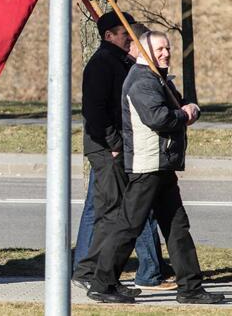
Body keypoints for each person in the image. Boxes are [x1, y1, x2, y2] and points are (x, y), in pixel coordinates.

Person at [87, 31, 224, 305]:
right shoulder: (141, 81)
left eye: (168, 48)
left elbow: (178, 104)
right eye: (159, 49)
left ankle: (190, 288)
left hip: (162, 165)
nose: (165, 53)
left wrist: (187, 110)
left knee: (176, 227)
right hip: (147, 164)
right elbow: (158, 117)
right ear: (143, 51)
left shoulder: (157, 78)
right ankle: (103, 284)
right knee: (129, 225)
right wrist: (184, 115)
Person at [72, 13, 174, 293]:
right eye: (124, 34)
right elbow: (95, 111)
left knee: (116, 210)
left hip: (118, 147)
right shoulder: (102, 64)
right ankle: (90, 272)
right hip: (108, 149)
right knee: (111, 211)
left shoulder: (119, 61)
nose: (130, 38)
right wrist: (115, 144)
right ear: (109, 36)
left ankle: (103, 275)